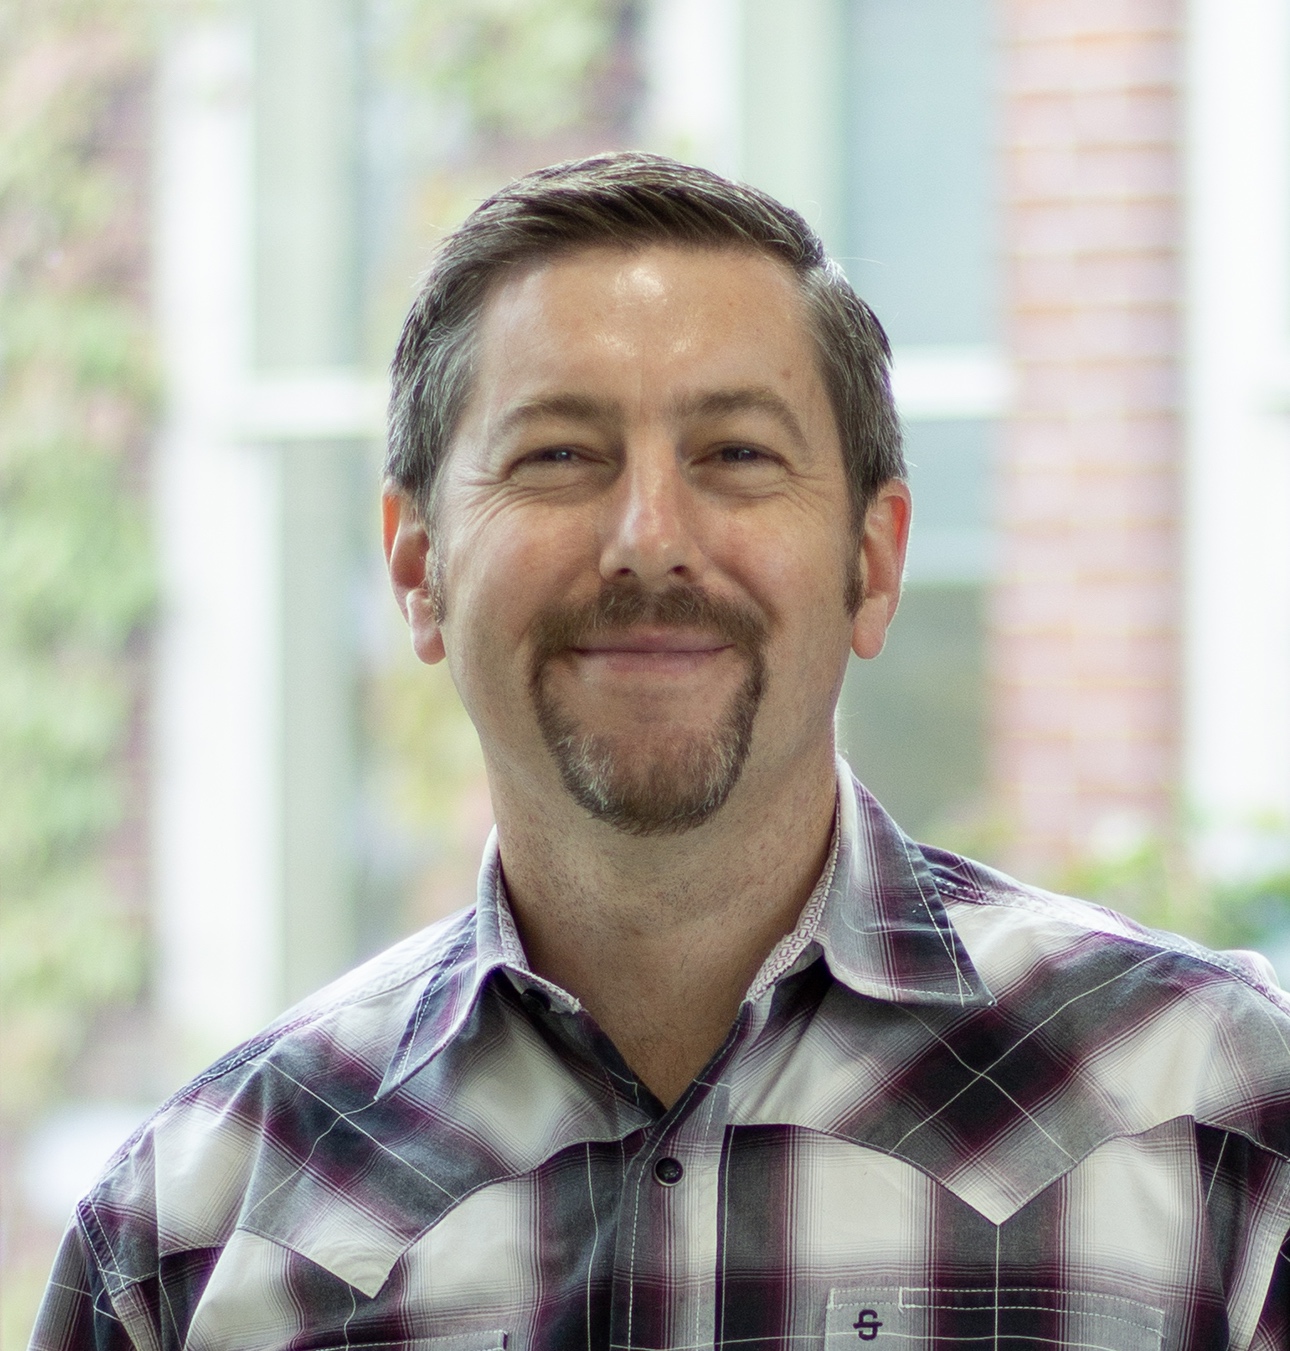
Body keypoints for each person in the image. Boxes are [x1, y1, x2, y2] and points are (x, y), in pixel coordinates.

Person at [29, 152, 1290, 1351]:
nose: (647, 539)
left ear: (874, 559)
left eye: (737, 455)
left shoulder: (1220, 1118)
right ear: (420, 569)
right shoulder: (190, 1235)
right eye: (559, 457)